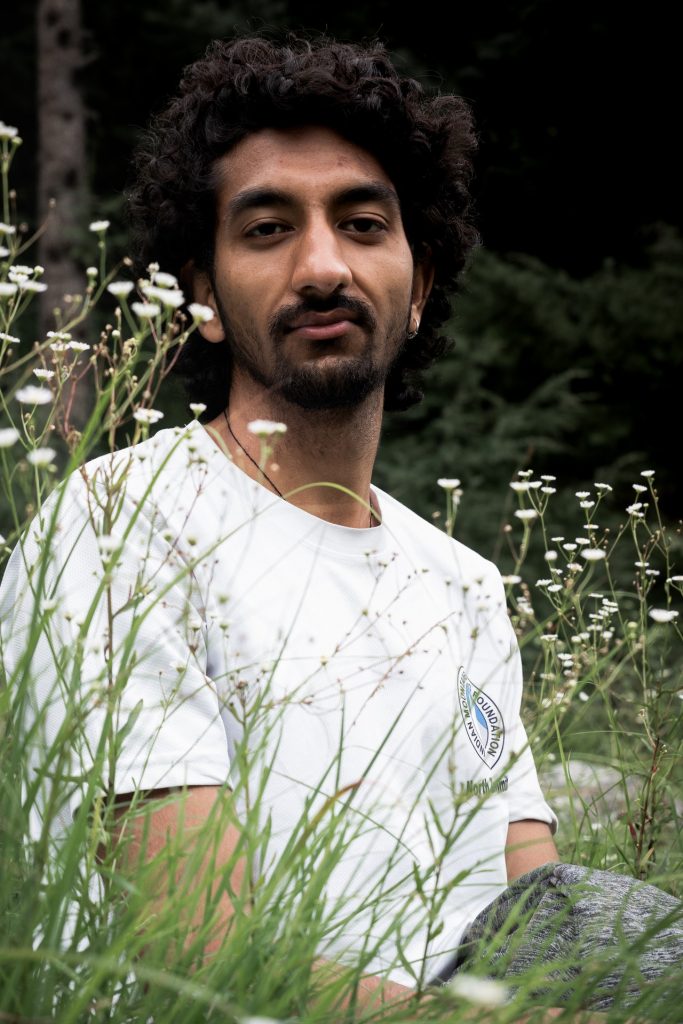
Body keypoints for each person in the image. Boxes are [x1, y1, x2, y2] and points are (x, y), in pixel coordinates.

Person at [1, 32, 680, 1019]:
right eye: (267, 229)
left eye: (362, 223)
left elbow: (548, 914)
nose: (322, 266)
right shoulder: (116, 531)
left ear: (421, 286)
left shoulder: (461, 585)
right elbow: (204, 962)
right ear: (198, 292)